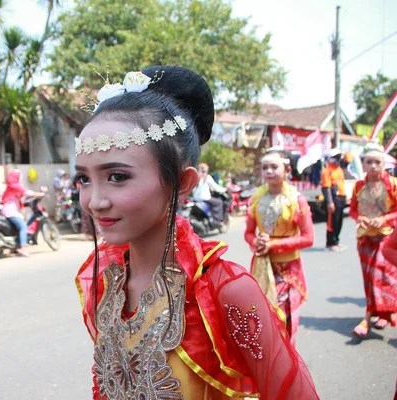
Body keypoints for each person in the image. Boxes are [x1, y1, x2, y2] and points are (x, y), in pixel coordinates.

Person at [74, 66, 318, 399]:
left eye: (117, 176)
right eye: (84, 179)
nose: (95, 201)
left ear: (183, 182)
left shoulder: (225, 293)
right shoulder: (106, 280)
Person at [244, 149, 315, 345]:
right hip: (262, 266)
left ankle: (287, 365)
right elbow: (249, 232)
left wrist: (273, 244)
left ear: (287, 170)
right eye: (264, 167)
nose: (269, 171)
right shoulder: (256, 198)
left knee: (284, 320)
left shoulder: (296, 199)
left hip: (288, 269)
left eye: (274, 167)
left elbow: (308, 238)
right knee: (263, 318)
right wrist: (255, 242)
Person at [349, 143, 397, 338]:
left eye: (378, 162)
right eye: (369, 162)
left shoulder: (392, 184)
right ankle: (382, 314)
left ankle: (368, 318)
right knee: (369, 280)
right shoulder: (359, 186)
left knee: (384, 279)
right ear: (364, 164)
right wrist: (359, 218)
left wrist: (384, 219)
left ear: (384, 164)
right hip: (365, 239)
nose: (374, 166)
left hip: (386, 240)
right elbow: (352, 209)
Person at [0, 169, 46, 257]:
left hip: (10, 210)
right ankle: (23, 248)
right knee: (23, 226)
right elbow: (27, 192)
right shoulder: (15, 185)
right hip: (10, 211)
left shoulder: (12, 186)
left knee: (17, 228)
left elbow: (21, 196)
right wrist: (39, 194)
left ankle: (15, 247)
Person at [321, 148, 346, 251]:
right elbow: (326, 188)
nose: (337, 159)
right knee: (332, 222)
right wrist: (329, 202)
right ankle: (330, 243)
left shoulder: (338, 169)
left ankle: (336, 241)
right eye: (335, 157)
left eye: (338, 157)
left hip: (340, 198)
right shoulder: (327, 171)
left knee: (339, 221)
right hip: (333, 198)